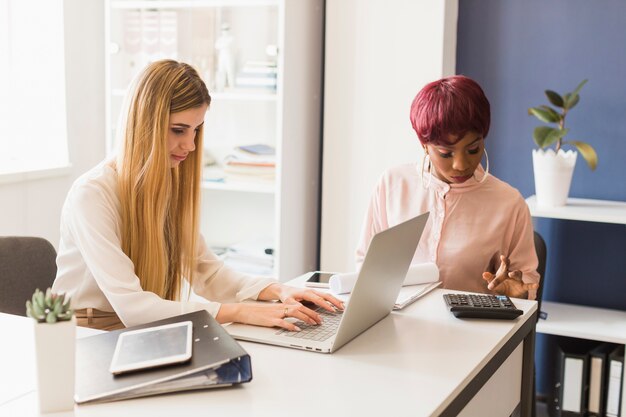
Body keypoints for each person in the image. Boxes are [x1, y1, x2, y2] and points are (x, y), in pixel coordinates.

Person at [52, 59, 342, 331]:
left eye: (196, 130)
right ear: (144, 125)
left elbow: (206, 271)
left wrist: (277, 289)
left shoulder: (164, 183)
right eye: (179, 130)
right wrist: (240, 311)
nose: (190, 145)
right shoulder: (91, 195)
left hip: (144, 330)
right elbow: (134, 307)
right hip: (86, 333)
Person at [356, 75, 540, 299]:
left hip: (472, 330)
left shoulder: (509, 203)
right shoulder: (393, 184)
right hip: (398, 325)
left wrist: (515, 295)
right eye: (445, 153)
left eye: (473, 149)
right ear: (424, 145)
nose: (461, 165)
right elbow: (366, 263)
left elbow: (527, 283)